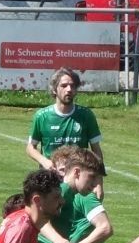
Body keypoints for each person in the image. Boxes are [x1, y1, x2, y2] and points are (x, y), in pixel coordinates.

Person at [27, 67, 105, 198]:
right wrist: (44, 161)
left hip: (78, 180)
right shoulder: (42, 116)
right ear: (54, 89)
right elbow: (30, 147)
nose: (69, 89)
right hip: (51, 179)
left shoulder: (86, 115)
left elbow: (96, 152)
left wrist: (98, 183)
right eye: (64, 85)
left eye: (72, 86)